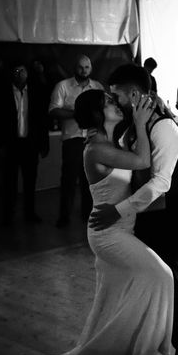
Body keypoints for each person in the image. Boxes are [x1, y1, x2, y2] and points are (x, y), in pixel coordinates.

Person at [30, 89, 173, 355]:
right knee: (162, 275)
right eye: (109, 102)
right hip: (109, 235)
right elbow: (143, 160)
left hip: (118, 229)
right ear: (96, 113)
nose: (115, 104)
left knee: (110, 300)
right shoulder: (95, 148)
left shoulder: (110, 142)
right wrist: (139, 120)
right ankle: (135, 346)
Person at [90, 63, 178, 355]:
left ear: (135, 94)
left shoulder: (164, 128)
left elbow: (161, 184)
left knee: (171, 281)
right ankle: (136, 346)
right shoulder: (134, 123)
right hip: (140, 214)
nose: (113, 100)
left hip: (163, 214)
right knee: (142, 278)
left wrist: (118, 209)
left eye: (117, 95)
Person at [49, 54, 104, 228]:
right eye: (80, 67)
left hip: (93, 139)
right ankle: (64, 216)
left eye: (87, 67)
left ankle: (87, 214)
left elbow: (105, 111)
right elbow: (53, 110)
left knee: (90, 180)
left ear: (91, 68)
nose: (83, 70)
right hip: (72, 139)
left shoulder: (97, 87)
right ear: (75, 68)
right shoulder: (63, 86)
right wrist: (77, 114)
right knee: (69, 179)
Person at [0, 62, 50, 225]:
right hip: (11, 144)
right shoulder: (3, 92)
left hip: (30, 144)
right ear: (11, 73)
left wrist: (44, 144)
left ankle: (29, 213)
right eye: (15, 70)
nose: (19, 73)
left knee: (30, 181)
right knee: (9, 182)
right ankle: (8, 216)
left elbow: (42, 121)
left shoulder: (36, 92)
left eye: (22, 70)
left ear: (27, 73)